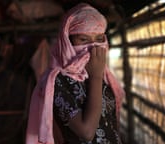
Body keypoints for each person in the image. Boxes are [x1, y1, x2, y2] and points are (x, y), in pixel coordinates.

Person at [26, 3, 125, 144]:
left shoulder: (105, 75)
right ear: (68, 42)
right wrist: (95, 77)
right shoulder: (57, 81)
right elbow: (86, 132)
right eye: (83, 40)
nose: (93, 48)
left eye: (99, 39)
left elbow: (110, 123)